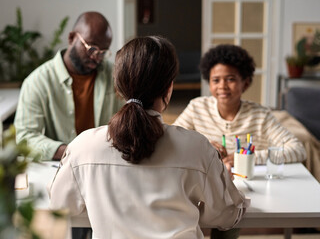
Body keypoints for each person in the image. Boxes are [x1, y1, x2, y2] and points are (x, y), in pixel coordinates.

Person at [49, 36, 250, 238]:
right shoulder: (197, 147)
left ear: (119, 88)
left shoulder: (84, 146)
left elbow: (60, 204)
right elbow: (227, 215)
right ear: (169, 88)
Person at [174, 44, 306, 238]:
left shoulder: (260, 115)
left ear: (246, 82)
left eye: (231, 79)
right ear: (208, 83)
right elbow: (173, 140)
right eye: (216, 80)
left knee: (229, 216)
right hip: (204, 188)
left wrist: (244, 158)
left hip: (245, 189)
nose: (222, 86)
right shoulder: (197, 107)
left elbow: (297, 150)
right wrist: (203, 146)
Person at [14, 11, 123, 161]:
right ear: (72, 38)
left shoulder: (115, 75)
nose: (95, 57)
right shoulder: (37, 82)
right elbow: (24, 138)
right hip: (61, 166)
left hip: (107, 163)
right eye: (91, 48)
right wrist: (70, 152)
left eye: (102, 53)